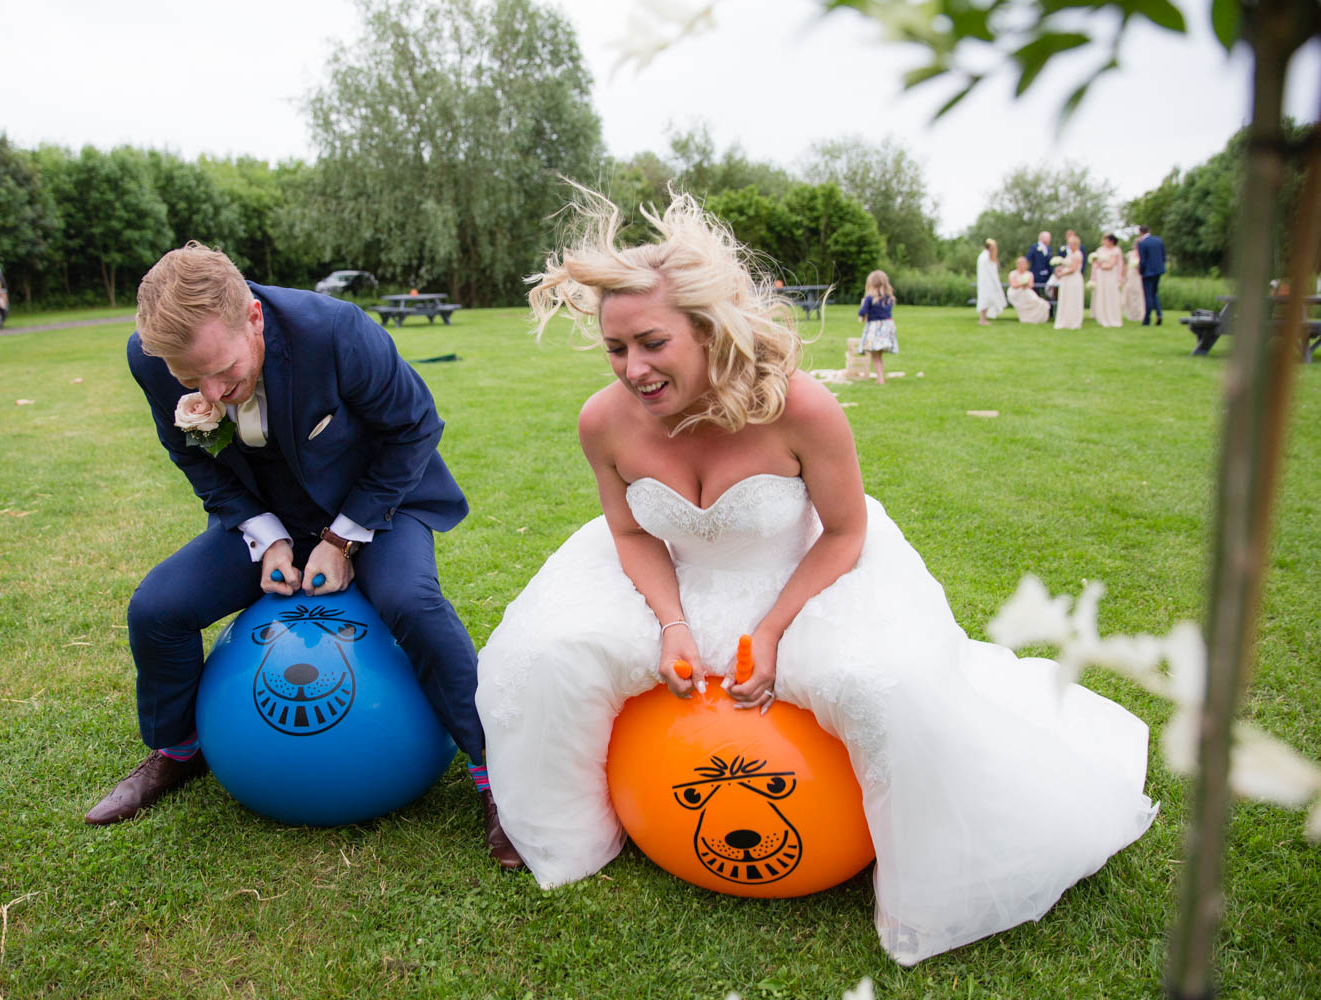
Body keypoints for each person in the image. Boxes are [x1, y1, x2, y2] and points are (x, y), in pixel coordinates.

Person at [476, 191, 1156, 966]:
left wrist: (769, 631)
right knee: (537, 654)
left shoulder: (800, 407)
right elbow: (630, 532)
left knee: (881, 683)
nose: (633, 369)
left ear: (706, 328)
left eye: (652, 343)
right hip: (669, 577)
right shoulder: (602, 421)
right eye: (615, 348)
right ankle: (571, 838)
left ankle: (916, 881)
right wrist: (670, 623)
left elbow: (846, 532)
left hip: (805, 575)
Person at [86, 242, 522, 869]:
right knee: (156, 608)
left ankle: (495, 779)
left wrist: (343, 538)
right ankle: (178, 752)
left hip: (378, 504)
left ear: (254, 319)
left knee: (410, 602)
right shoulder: (151, 356)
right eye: (191, 381)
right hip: (272, 512)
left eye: (222, 371)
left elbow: (415, 428)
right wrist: (267, 536)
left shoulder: (336, 331)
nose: (212, 393)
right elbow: (190, 455)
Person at [857, 270, 897, 384]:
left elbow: (862, 313)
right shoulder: (888, 298)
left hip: (875, 329)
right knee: (879, 356)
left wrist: (862, 306)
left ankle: (880, 379)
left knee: (875, 356)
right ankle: (880, 376)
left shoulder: (869, 298)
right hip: (886, 328)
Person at [1089, 234, 1124, 328]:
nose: (1103, 241)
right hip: (1101, 276)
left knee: (1110, 295)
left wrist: (1100, 265)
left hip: (1110, 275)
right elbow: (1094, 264)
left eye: (1106, 239)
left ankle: (1112, 317)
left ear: (1111, 241)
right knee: (1102, 294)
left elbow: (1111, 265)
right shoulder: (1099, 250)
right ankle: (1101, 316)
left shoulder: (1116, 250)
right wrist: (1093, 276)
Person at [1053, 233, 1085, 330]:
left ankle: (1073, 321)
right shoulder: (1070, 254)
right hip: (1067, 279)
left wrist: (1061, 274)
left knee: (1072, 299)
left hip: (1073, 279)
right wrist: (1059, 269)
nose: (1069, 246)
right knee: (1066, 299)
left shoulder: (1077, 254)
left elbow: (1073, 269)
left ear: (1076, 244)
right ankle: (1066, 320)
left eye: (1071, 244)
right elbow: (1066, 266)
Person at [1137, 226, 1166, 325]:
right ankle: (1159, 314)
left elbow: (1143, 261)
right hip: (1158, 271)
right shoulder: (1159, 241)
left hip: (1148, 273)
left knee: (1148, 295)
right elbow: (1163, 257)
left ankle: (1147, 319)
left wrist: (1141, 271)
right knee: (1154, 293)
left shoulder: (1142, 243)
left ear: (1140, 232)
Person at [1007, 256, 1050, 323]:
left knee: (1040, 302)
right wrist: (1021, 285)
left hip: (1027, 291)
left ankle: (1034, 319)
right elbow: (1013, 285)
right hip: (1016, 292)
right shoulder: (1013, 273)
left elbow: (1031, 285)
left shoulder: (1029, 274)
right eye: (1020, 264)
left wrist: (1025, 285)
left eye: (1023, 264)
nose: (1022, 265)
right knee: (1025, 296)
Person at [975, 239, 1007, 325]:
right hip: (986, 283)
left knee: (989, 300)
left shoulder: (986, 256)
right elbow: (989, 272)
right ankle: (982, 320)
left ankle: (983, 319)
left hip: (989, 283)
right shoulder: (985, 257)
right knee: (985, 300)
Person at [1122, 244, 1147, 323]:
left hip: (1139, 276)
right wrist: (1125, 276)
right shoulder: (1130, 254)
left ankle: (1140, 313)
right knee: (1129, 293)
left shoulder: (1143, 253)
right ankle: (1131, 313)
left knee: (1139, 294)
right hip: (1131, 275)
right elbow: (1126, 265)